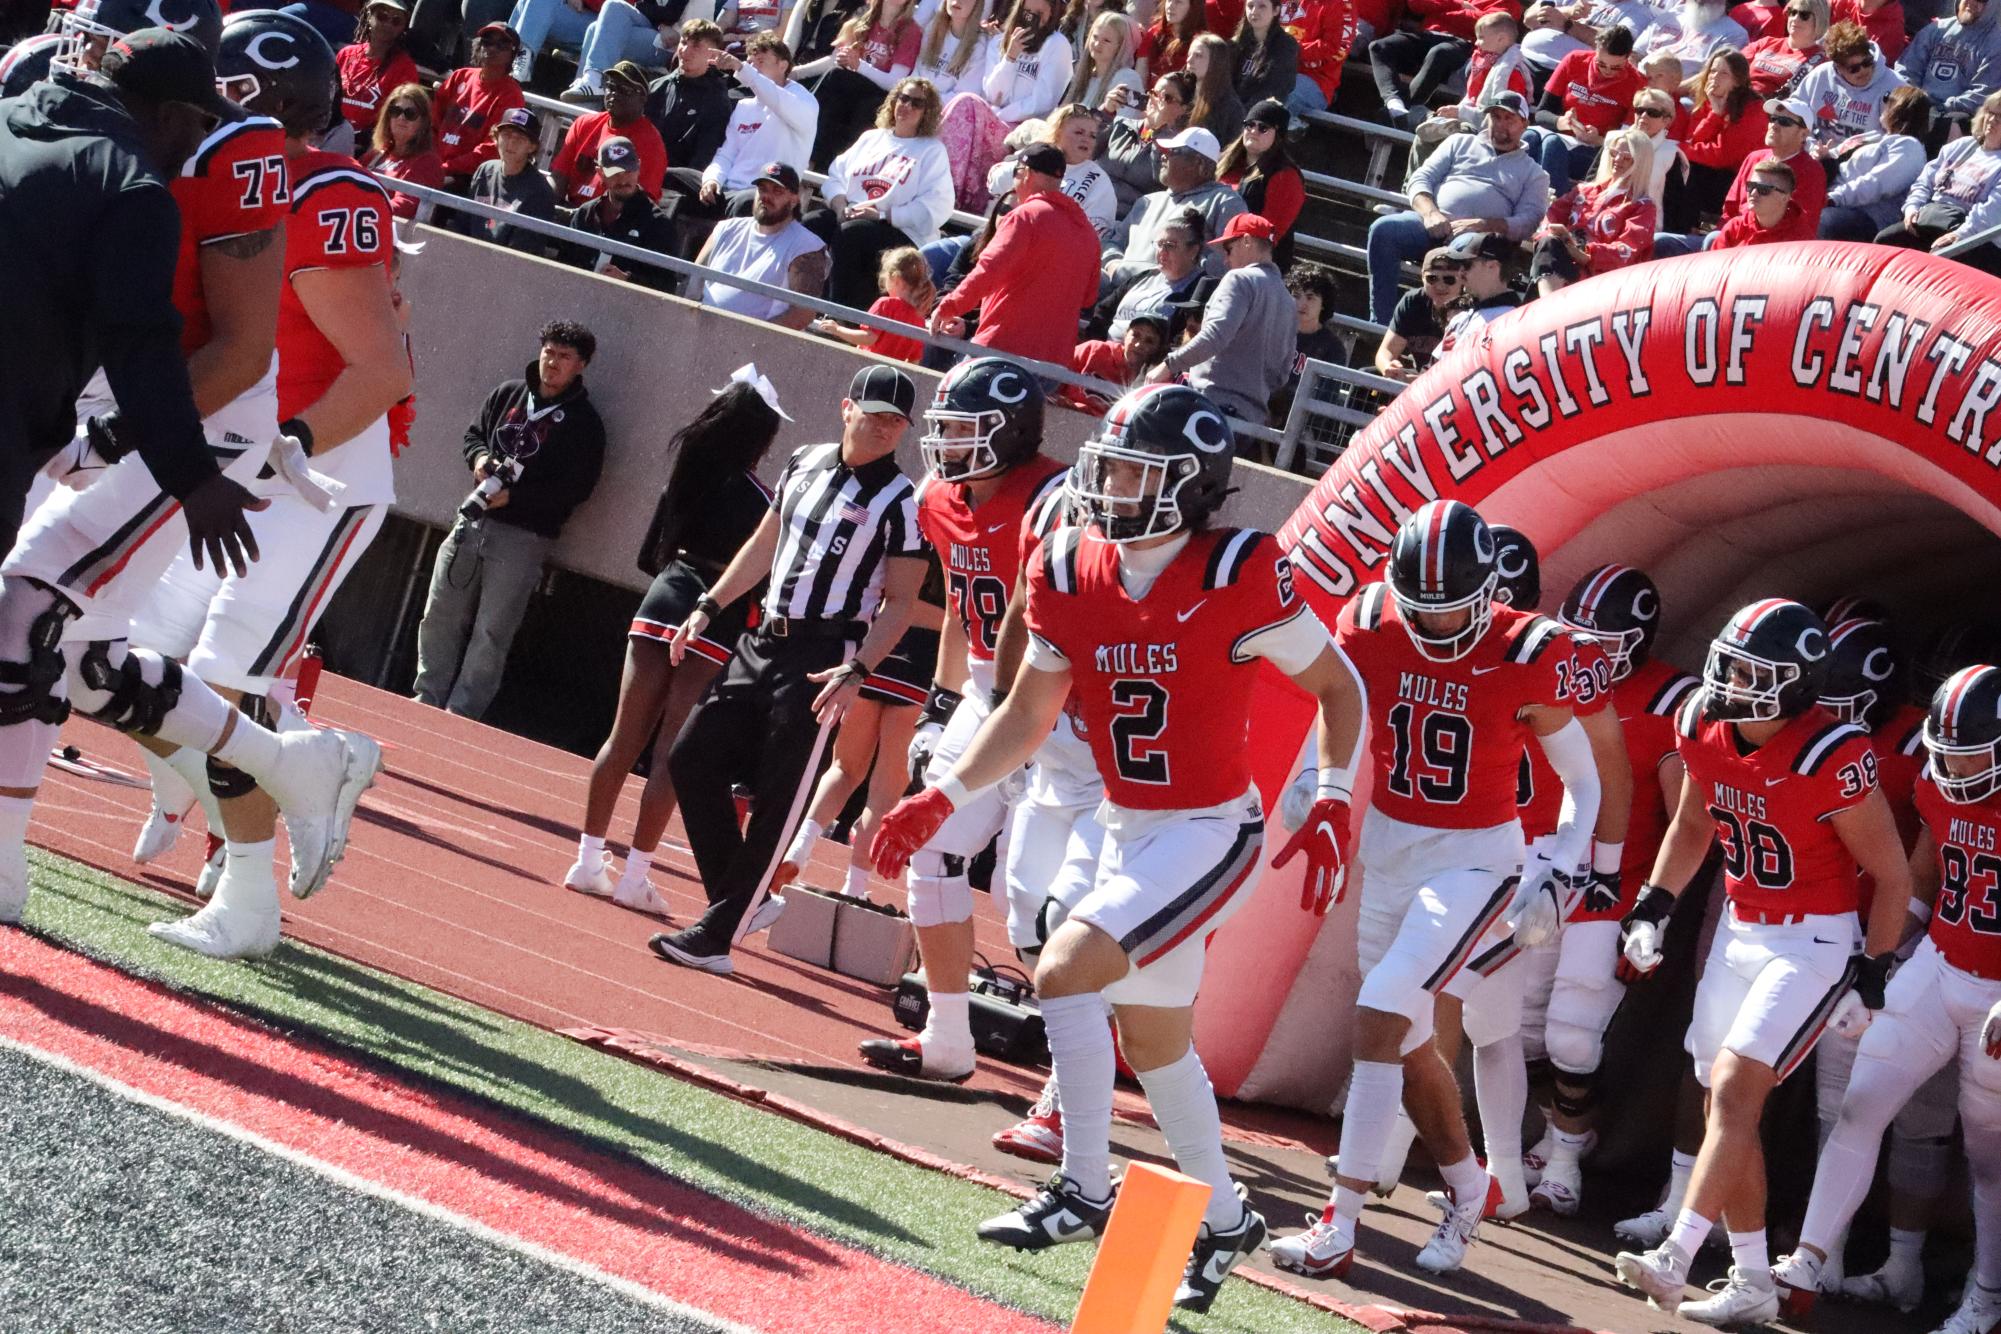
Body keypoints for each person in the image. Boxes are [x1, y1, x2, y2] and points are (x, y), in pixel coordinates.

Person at [872, 381, 1367, 1315]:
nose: (1114, 489)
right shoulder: (1065, 563)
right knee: (1153, 1039)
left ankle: (1082, 1188)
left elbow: (1337, 688)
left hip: (1208, 829)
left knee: (1064, 966)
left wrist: (1334, 793)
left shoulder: (1240, 570)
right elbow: (1027, 708)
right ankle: (1224, 1220)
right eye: (1111, 468)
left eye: (1138, 473)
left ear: (1190, 484)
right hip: (1120, 824)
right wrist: (945, 791)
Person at [0, 21, 375, 926]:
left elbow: (242, 351)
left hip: (191, 416)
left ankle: (3, 867)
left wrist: (118, 438)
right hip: (112, 395)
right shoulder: (69, 103)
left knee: (26, 604)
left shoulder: (241, 148)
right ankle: (292, 769)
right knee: (77, 661)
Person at [128, 9, 412, 957]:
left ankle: (249, 900)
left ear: (255, 96)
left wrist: (287, 441)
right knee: (122, 663)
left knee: (219, 675)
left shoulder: (326, 192)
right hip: (241, 463)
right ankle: (296, 766)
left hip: (316, 475)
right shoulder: (225, 180)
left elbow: (380, 374)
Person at [1270, 500, 1600, 1280]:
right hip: (1390, 845)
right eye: (1417, 606)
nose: (1429, 624)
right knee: (1412, 1044)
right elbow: (1339, 704)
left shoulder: (1526, 650)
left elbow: (1581, 780)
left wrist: (1556, 867)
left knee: (1380, 1013)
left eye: (1446, 607)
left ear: (1486, 593)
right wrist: (1325, 787)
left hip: (1475, 860)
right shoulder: (1370, 619)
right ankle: (1465, 1189)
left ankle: (1338, 1223)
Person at [1611, 599, 1912, 1326]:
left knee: (1737, 1089)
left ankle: (1675, 1257)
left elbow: (1893, 874)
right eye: (1730, 661)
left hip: (1810, 940)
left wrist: (1870, 971)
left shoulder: (1829, 754)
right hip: (1739, 930)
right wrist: (1654, 903)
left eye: (1754, 671)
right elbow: (1691, 823)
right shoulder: (1700, 724)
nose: (1731, 678)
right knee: (1723, 1107)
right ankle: (1751, 1280)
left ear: (1798, 684)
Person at [649, 364, 928, 975]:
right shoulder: (803, 462)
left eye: (896, 421)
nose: (884, 428)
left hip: (825, 655)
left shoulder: (900, 501)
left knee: (782, 794)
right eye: (875, 413)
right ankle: (742, 901)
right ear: (846, 407)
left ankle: (720, 934)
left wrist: (857, 669)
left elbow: (902, 600)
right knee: (690, 756)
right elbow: (763, 545)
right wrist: (709, 604)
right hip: (763, 636)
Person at [841, 358, 1069, 1077]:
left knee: (1029, 898)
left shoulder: (1056, 498)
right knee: (929, 850)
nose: (947, 445)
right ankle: (946, 1036)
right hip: (981, 690)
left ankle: (1071, 1077)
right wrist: (940, 708)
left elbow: (1042, 618)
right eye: (945, 429)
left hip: (1057, 701)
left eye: (966, 431)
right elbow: (964, 614)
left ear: (1012, 433)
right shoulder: (941, 497)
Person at [1772, 663, 2001, 1334]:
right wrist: (1887, 953)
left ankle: (1985, 1298)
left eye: (1971, 755)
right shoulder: (1936, 782)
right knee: (1859, 1103)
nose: (1955, 769)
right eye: (1948, 753)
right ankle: (1807, 1263)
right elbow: (1929, 866)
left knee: (1988, 1159)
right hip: (1941, 963)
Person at [1510, 564, 1699, 1218]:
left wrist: (1656, 909)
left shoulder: (1669, 700)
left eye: (1603, 642)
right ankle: (1570, 1127)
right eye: (1576, 638)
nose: (1586, 654)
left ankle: (1562, 1158)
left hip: (1614, 883)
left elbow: (1687, 819)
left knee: (1571, 1034)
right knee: (1521, 1026)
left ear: (1638, 641)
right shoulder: (1540, 664)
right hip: (1545, 865)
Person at [570, 368, 786, 907]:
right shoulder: (765, 500)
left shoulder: (688, 475)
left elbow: (651, 554)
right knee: (671, 751)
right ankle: (635, 877)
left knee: (623, 738)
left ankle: (587, 860)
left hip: (662, 597)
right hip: (716, 614)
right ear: (760, 439)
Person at [412, 323, 605, 721]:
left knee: (491, 631)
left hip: (524, 536)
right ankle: (425, 696)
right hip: (472, 519)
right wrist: (480, 460)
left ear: (581, 365)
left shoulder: (586, 423)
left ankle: (461, 712)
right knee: (440, 611)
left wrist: (516, 496)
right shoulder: (509, 393)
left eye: (564, 357)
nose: (552, 363)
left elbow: (577, 489)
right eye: (549, 352)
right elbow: (474, 435)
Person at [1367, 90, 1548, 325]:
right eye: (1495, 116)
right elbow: (1421, 179)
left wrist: (1482, 225)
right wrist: (1430, 213)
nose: (1500, 124)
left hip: (1476, 240)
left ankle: (1444, 328)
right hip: (1431, 223)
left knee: (1464, 249)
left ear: (1524, 124)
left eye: (1509, 119)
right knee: (1383, 229)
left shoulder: (1534, 173)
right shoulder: (1459, 142)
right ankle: (1380, 323)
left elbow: (1527, 222)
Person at [930, 143, 1102, 368]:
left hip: (1002, 351)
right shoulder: (1088, 234)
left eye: (1015, 173)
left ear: (1026, 173)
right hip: (1054, 366)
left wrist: (948, 307)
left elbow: (987, 272)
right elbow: (1088, 299)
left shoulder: (1025, 216)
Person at [808, 77, 954, 309]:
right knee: (812, 223)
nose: (907, 106)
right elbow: (836, 176)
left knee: (851, 234)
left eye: (917, 103)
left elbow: (938, 206)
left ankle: (839, 313)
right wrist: (838, 206)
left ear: (927, 112)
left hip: (899, 229)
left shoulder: (932, 151)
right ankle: (800, 299)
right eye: (903, 98)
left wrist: (882, 215)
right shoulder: (871, 138)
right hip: (851, 214)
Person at [1146, 213, 1292, 430]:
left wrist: (1168, 366)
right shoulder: (1287, 300)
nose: (1226, 259)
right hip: (1250, 420)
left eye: (1228, 249)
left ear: (1246, 241)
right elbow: (1281, 373)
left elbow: (1215, 336)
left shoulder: (1239, 279)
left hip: (1209, 408)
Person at [663, 35, 818, 236]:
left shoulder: (804, 101)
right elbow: (727, 153)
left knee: (748, 202)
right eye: (751, 62)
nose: (753, 68)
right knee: (665, 176)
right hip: (726, 189)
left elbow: (777, 99)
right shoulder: (745, 106)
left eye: (761, 62)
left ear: (783, 65)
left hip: (761, 194)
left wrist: (743, 69)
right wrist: (712, 180)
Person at [1656, 92, 1824, 250]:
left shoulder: (1811, 170)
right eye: (1773, 119)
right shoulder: (1754, 158)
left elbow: (1800, 226)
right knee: (1661, 242)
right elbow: (1729, 210)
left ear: (1803, 135)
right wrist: (1718, 233)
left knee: (1711, 239)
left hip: (1771, 251)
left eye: (1785, 122)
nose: (1774, 125)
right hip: (1732, 238)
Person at [698, 162, 831, 328]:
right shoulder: (726, 228)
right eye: (762, 189)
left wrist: (748, 339)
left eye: (777, 191)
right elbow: (693, 279)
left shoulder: (806, 246)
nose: (766, 196)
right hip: (700, 328)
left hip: (753, 345)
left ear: (794, 200)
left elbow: (803, 314)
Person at [1107, 125, 1248, 282]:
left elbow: (1230, 263)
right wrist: (1114, 266)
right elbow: (1113, 243)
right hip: (1118, 288)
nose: (1163, 156)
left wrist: (1170, 276)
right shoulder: (1147, 202)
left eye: (1172, 151)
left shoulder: (1224, 201)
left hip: (1169, 298)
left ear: (1199, 163)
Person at [796, 0, 923, 169]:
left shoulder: (910, 31)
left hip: (880, 95)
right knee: (834, 82)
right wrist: (795, 73)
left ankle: (827, 165)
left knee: (847, 89)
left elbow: (895, 82)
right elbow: (833, 61)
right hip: (848, 87)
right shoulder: (862, 20)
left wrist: (859, 66)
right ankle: (811, 162)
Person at [1529, 124, 1654, 291]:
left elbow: (1625, 251)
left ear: (1640, 163)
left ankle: (1544, 305)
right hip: (1560, 259)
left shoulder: (1643, 207)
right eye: (1614, 153)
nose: (1617, 160)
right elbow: (1551, 215)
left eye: (1627, 157)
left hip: (1601, 280)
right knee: (1546, 244)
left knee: (1548, 253)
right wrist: (1559, 237)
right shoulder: (1585, 190)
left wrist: (1581, 252)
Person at [1877, 89, 2001, 249]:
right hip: (1931, 218)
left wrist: (1961, 234)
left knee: (1939, 253)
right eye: (1990, 112)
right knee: (1885, 241)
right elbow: (1925, 181)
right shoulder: (1962, 146)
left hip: (1975, 235)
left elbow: (1992, 213)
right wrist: (1912, 208)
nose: (1991, 120)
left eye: (2000, 117)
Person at [1531, 25, 1645, 196]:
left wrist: (1599, 139)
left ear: (1628, 57)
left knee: (1552, 144)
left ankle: (1554, 206)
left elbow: (1628, 138)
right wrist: (1559, 122)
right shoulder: (1575, 60)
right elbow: (1541, 113)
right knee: (1528, 138)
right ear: (1595, 50)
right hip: (1562, 134)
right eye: (1601, 64)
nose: (1607, 71)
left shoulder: (1636, 83)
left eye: (1616, 67)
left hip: (1597, 150)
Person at [1368, 0, 1516, 129]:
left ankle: (1406, 112)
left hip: (1462, 43)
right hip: (1427, 35)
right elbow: (1416, 4)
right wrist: (1459, 4)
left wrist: (1440, 7)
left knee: (1439, 52)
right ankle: (1394, 103)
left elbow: (1488, 26)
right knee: (1379, 47)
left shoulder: (1508, 3)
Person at [1670, 48, 1769, 227]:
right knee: (1678, 164)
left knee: (1686, 164)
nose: (1714, 78)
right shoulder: (1709, 100)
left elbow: (1722, 156)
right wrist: (1715, 114)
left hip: (1739, 180)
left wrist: (1682, 149)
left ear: (1738, 81)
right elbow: (1695, 140)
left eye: (1724, 74)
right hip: (1712, 174)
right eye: (1713, 71)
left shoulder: (1753, 109)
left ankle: (1684, 229)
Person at [1818, 83, 1930, 237]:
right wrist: (1824, 157)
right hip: (1830, 195)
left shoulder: (1909, 147)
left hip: (1860, 216)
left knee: (1817, 221)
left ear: (1898, 109)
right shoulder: (1875, 137)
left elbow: (1877, 184)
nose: (1883, 104)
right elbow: (1837, 156)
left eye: (1888, 100)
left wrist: (1833, 198)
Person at [550, 60, 667, 205]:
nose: (614, 94)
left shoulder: (651, 142)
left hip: (613, 220)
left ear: (643, 98)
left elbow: (643, 201)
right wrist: (550, 205)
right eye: (610, 87)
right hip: (571, 210)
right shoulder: (584, 124)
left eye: (624, 90)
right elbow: (558, 176)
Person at [430, 22, 525, 188]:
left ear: (513, 54)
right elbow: (431, 124)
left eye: (502, 45)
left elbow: (491, 149)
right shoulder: (459, 76)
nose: (492, 49)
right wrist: (429, 161)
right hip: (433, 163)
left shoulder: (512, 95)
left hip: (469, 177)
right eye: (487, 42)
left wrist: (445, 168)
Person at [1793, 18, 1909, 147]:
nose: (1863, 70)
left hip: (1866, 162)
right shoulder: (1821, 75)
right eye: (1854, 68)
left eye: (1867, 63)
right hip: (1816, 155)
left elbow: (1900, 140)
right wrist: (1811, 146)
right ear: (1838, 67)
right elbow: (1795, 111)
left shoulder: (1896, 86)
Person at [1898, 0, 2001, 143]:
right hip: (1918, 103)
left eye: (1981, 0)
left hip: (1955, 114)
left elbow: (1983, 93)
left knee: (1955, 124)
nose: (1972, 2)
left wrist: (1941, 108)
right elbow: (1908, 68)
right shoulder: (1936, 29)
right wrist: (1915, 98)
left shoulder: (1996, 44)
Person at [811, 245, 936, 362]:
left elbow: (868, 338)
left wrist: (837, 329)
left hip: (868, 368)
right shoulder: (919, 317)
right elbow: (914, 359)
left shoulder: (885, 304)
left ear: (896, 279)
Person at [1218, 98, 1303, 265]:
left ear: (1278, 135)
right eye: (1249, 124)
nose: (1253, 131)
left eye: (1263, 128)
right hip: (1218, 253)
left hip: (1255, 264)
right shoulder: (1225, 165)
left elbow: (1270, 234)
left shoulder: (1286, 176)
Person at [641, 22, 735, 175]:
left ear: (713, 54)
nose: (685, 51)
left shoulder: (717, 101)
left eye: (696, 46)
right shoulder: (655, 88)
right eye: (684, 42)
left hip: (679, 183)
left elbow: (703, 159)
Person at [1098, 207, 1207, 338]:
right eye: (1159, 244)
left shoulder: (1201, 290)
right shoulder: (1144, 277)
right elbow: (1103, 312)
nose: (1162, 251)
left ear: (1193, 251)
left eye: (1170, 245)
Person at [463, 106, 559, 249]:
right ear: (496, 137)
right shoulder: (485, 170)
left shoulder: (540, 192)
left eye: (520, 138)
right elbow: (463, 222)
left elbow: (523, 250)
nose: (511, 143)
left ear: (532, 147)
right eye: (506, 134)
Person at [1101, 70, 1195, 213]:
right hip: (1092, 199)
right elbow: (1087, 150)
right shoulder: (1121, 125)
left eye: (1167, 98)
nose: (1156, 100)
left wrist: (1158, 130)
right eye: (1154, 93)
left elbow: (1161, 179)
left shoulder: (1178, 147)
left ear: (1183, 109)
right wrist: (1106, 113)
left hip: (1129, 216)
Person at [562, 0, 690, 102]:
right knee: (596, 25)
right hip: (656, 30)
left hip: (676, 44)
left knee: (610, 14)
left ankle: (594, 80)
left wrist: (664, 25)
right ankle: (583, 105)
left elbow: (671, 13)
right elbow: (646, 7)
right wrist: (660, 25)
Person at [1375, 245, 1464, 379]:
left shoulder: (1471, 311)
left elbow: (1458, 372)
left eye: (1449, 279)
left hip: (1451, 384)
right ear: (1422, 277)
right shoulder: (1412, 301)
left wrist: (1411, 382)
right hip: (1419, 377)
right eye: (1432, 278)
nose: (1440, 286)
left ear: (1462, 279)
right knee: (1365, 377)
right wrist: (1388, 366)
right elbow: (1386, 350)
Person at [336, 0, 420, 143]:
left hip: (369, 143)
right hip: (333, 135)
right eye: (382, 16)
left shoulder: (404, 68)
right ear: (369, 16)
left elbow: (397, 121)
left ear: (402, 28)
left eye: (396, 21)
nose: (387, 24)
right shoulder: (345, 54)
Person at [365, 82, 445, 219]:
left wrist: (360, 209)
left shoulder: (428, 162)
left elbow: (404, 207)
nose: (401, 118)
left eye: (410, 113)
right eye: (395, 111)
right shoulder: (377, 153)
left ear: (423, 122)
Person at [1066, 310, 1172, 411]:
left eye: (1149, 341)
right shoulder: (1094, 350)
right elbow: (1057, 375)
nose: (1138, 344)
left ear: (1158, 348)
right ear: (1126, 335)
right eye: (1135, 335)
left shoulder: (1155, 378)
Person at [1280, 0, 1357, 115]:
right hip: (1273, 67)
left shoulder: (1341, 4)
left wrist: (1289, 50)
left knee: (1281, 97)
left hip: (1315, 79)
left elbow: (1334, 50)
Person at [1707, 154, 1803, 244]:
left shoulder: (1799, 239)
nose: (1753, 193)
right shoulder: (1735, 228)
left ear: (1785, 198)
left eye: (1763, 189)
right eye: (1751, 186)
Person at [912, 0, 994, 103]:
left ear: (978, 5)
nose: (957, 1)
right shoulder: (932, 28)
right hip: (916, 103)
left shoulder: (981, 44)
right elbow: (915, 73)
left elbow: (965, 96)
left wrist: (926, 101)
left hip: (947, 112)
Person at [1743, 0, 1827, 97]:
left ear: (1819, 20)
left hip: (1773, 108)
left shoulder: (1821, 61)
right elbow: (1733, 67)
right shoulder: (1766, 43)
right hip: (1741, 100)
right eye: (1793, 12)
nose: (1795, 19)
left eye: (1804, 15)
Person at [1064, 10, 1143, 110]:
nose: (1097, 44)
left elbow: (1126, 122)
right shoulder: (1082, 76)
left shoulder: (1128, 79)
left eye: (1106, 41)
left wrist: (1106, 110)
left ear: (1120, 46)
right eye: (1095, 37)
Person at [1233, 0, 1300, 106]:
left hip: (1259, 115)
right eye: (1250, 6)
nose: (1254, 11)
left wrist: (1241, 116)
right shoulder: (1237, 43)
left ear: (1276, 10)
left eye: (1262, 6)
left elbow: (1273, 91)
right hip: (1230, 112)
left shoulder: (1285, 46)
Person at [1184, 30, 1244, 142]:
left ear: (1216, 62)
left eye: (1198, 56)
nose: (1189, 60)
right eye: (1189, 55)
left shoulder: (1230, 108)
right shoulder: (1181, 93)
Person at [1144, 0, 1207, 77]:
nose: (1170, 6)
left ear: (1193, 7)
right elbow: (1141, 71)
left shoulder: (1200, 42)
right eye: (1169, 0)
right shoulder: (1155, 32)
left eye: (1178, 2)